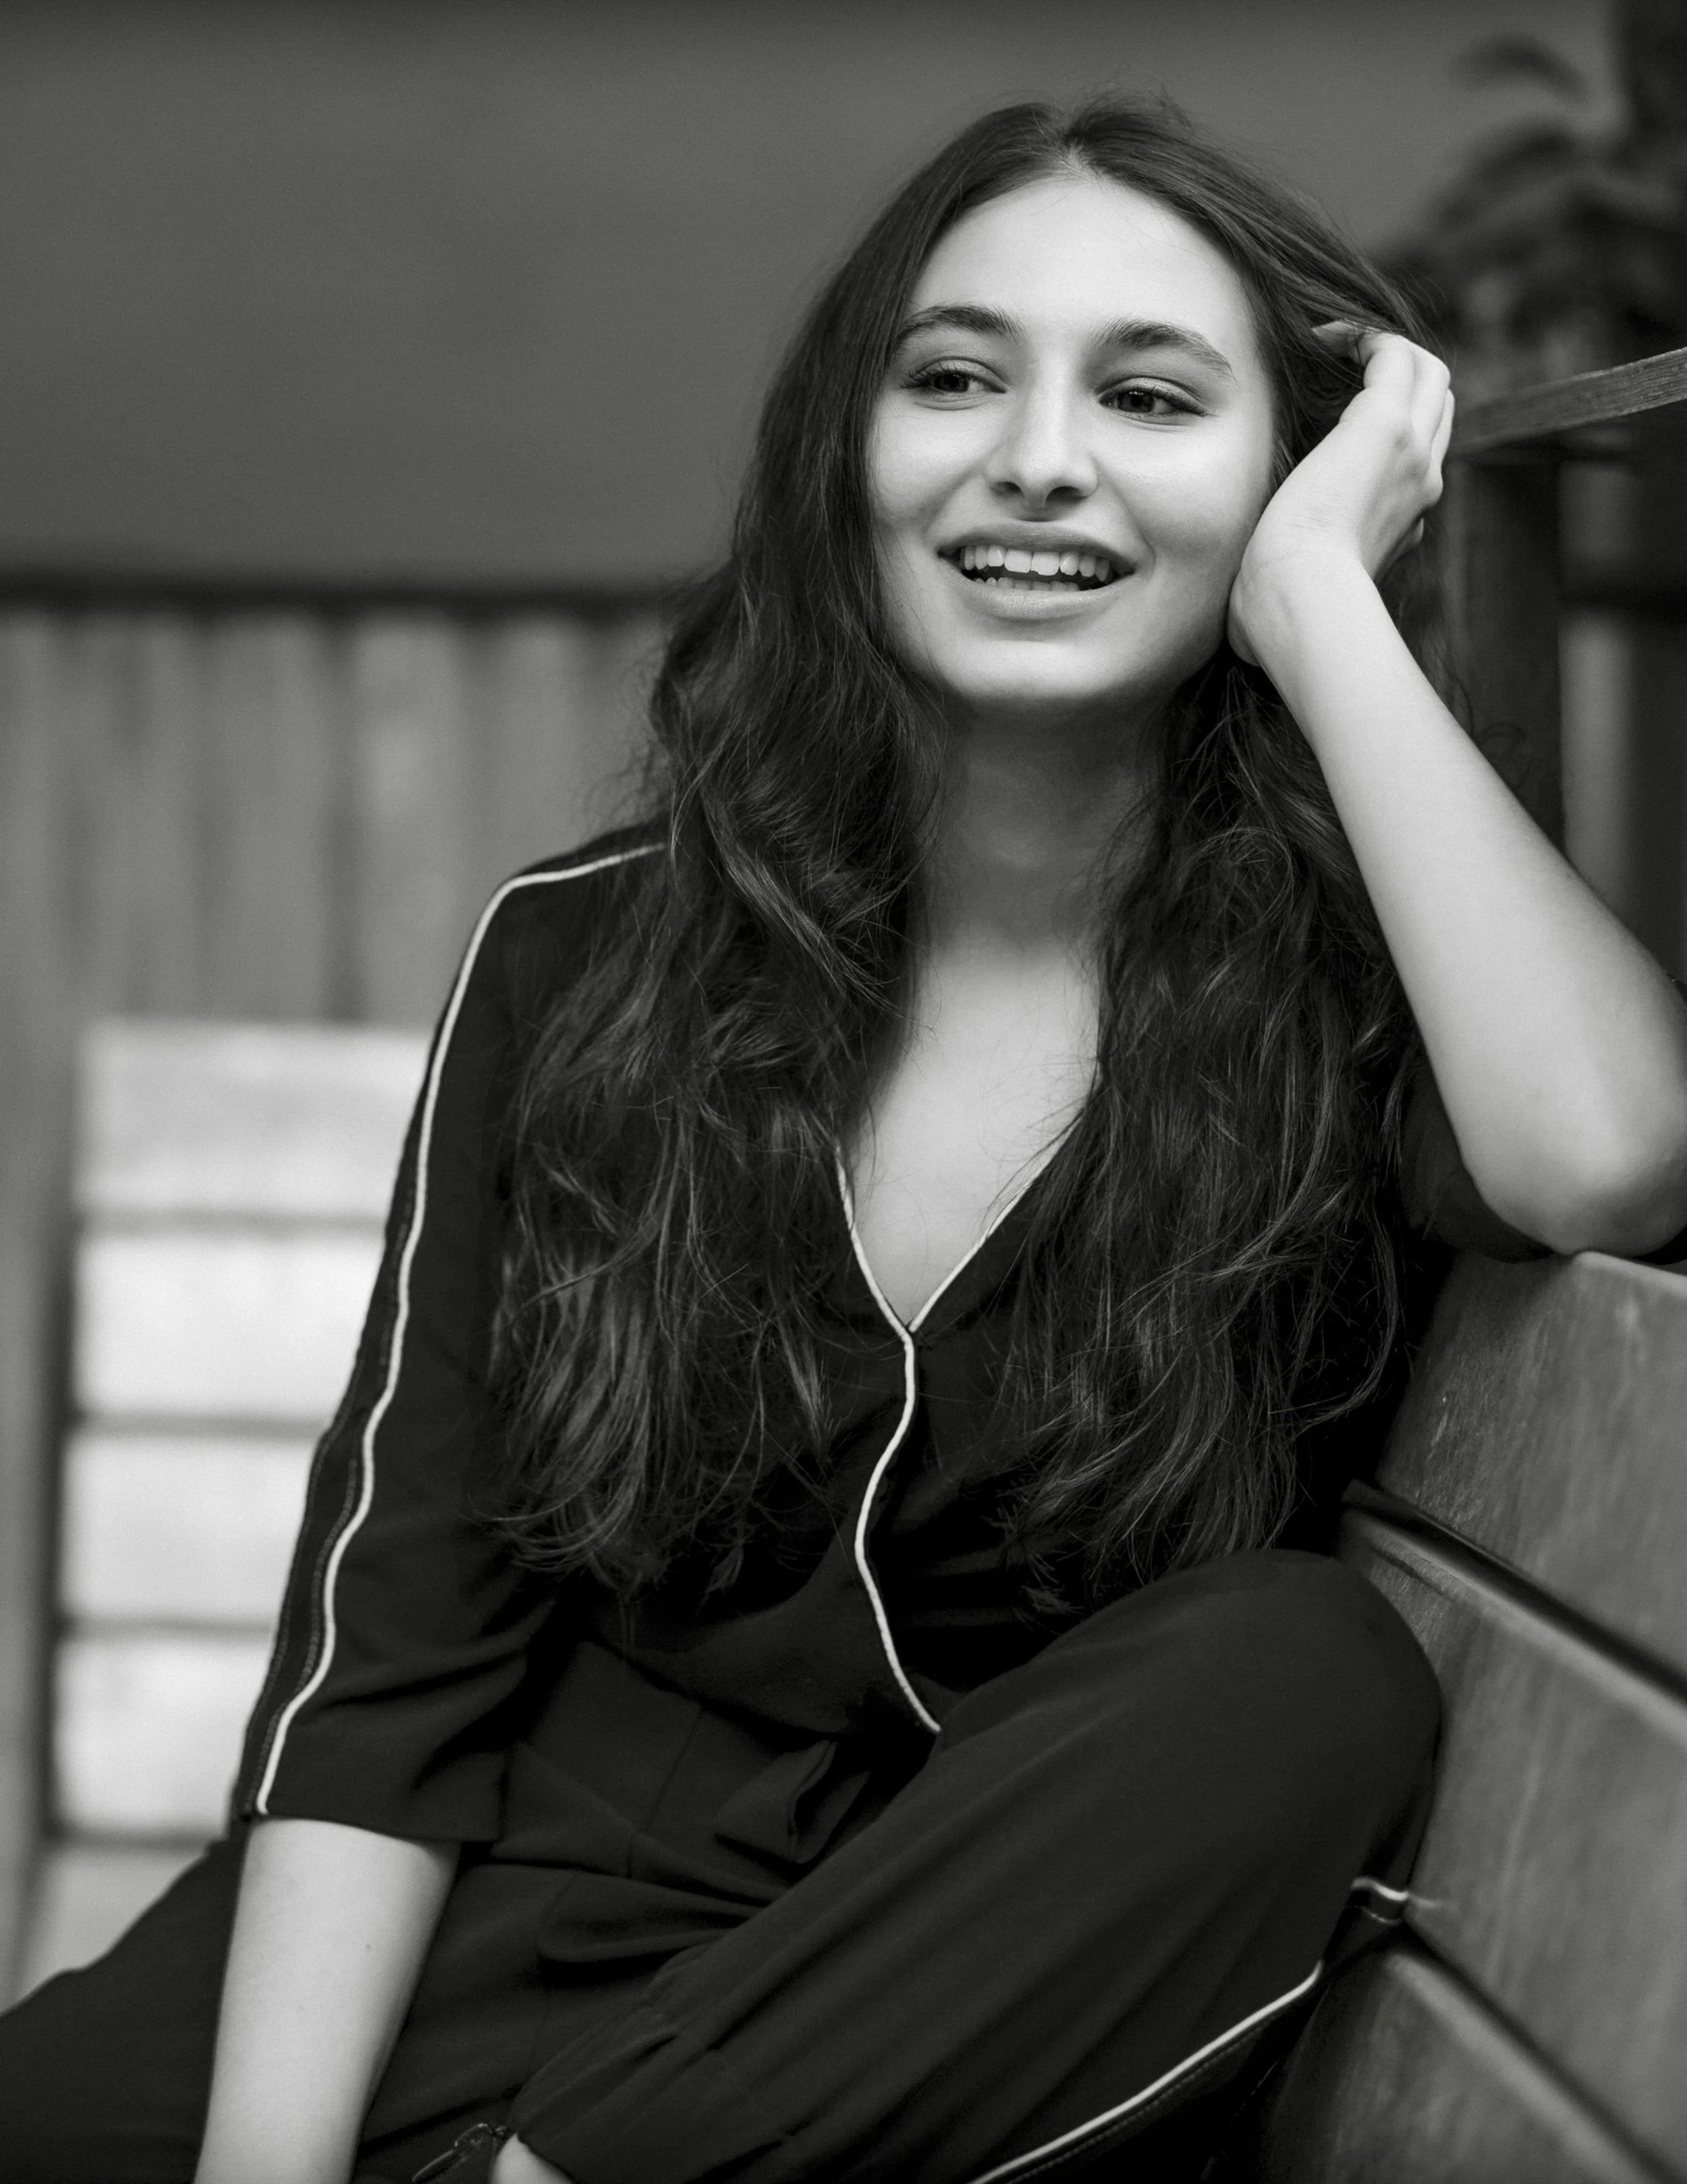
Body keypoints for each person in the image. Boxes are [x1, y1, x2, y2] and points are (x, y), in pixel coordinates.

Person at [5, 96, 1687, 2184]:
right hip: (488, 1933)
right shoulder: (584, 957)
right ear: (846, 454)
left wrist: (1322, 608)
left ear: (1286, 484)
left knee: (1301, 1667)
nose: (1036, 459)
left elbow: (1605, 1154)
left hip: (901, 2011)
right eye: (953, 377)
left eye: (1151, 397)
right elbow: (395, 1646)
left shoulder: (1351, 1005)